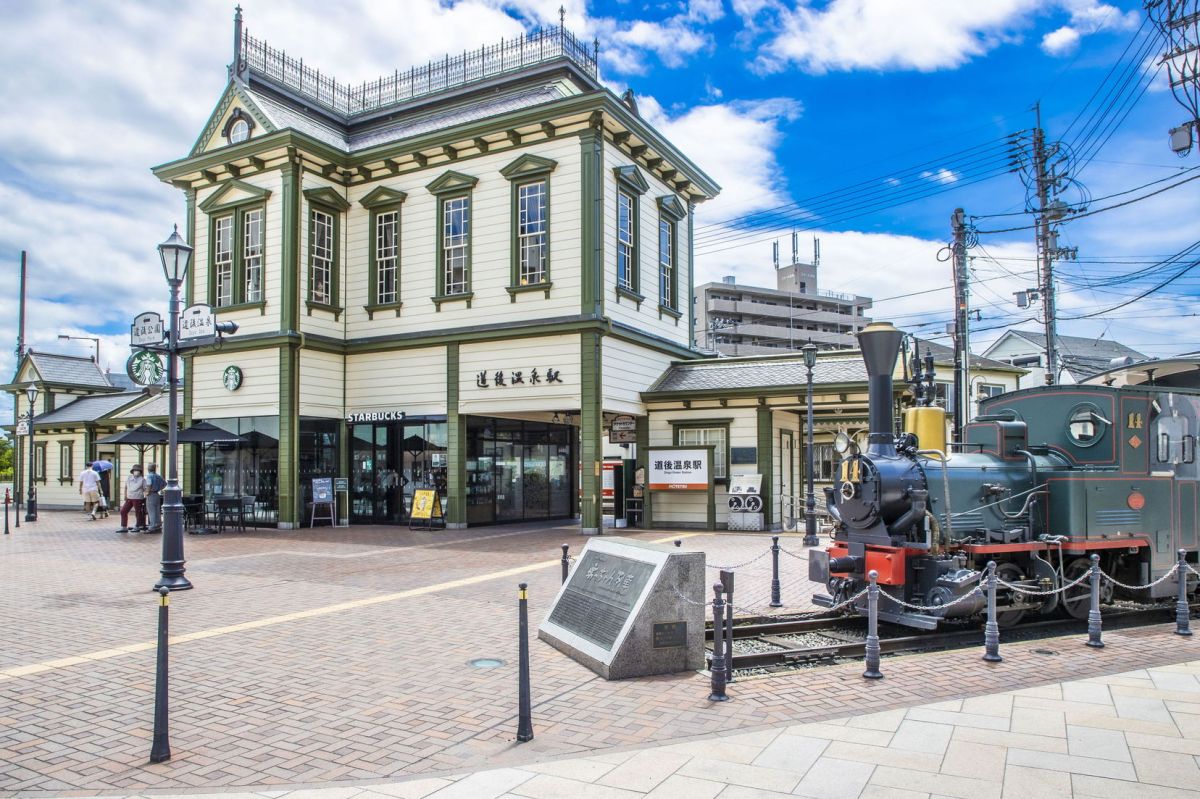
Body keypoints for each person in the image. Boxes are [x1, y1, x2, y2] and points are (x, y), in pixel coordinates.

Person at [117, 465, 148, 533]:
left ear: (140, 472)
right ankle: (124, 527)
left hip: (138, 498)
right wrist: (125, 495)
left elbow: (145, 489)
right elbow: (126, 487)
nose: (136, 472)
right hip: (129, 497)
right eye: (135, 470)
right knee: (123, 511)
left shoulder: (142, 479)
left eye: (138, 470)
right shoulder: (129, 478)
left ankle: (138, 526)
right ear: (132, 471)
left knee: (138, 512)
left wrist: (146, 496)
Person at [145, 463, 166, 532]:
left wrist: (147, 492)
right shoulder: (158, 476)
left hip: (151, 494)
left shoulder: (149, 476)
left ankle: (152, 526)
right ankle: (158, 525)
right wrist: (159, 488)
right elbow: (165, 483)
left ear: (148, 469)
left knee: (151, 511)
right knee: (157, 510)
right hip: (157, 494)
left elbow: (149, 484)